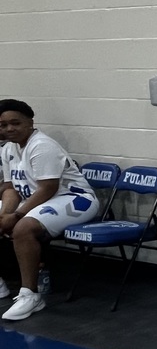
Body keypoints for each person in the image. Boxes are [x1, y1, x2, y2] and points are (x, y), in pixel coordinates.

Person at [0, 99, 101, 320]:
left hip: (73, 198)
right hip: (38, 199)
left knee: (23, 228)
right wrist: (4, 215)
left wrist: (16, 216)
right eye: (3, 125)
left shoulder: (41, 145)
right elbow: (9, 187)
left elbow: (48, 188)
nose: (9, 129)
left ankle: (30, 296)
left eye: (15, 123)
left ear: (30, 122)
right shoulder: (8, 148)